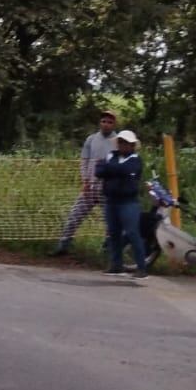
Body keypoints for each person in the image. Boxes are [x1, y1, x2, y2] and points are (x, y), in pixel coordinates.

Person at [50, 111, 119, 256]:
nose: (106, 124)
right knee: (75, 215)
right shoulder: (91, 139)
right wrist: (85, 180)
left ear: (114, 124)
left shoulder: (118, 141)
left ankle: (107, 250)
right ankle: (63, 245)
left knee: (111, 220)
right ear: (100, 122)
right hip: (91, 186)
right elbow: (84, 161)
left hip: (108, 188)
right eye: (104, 121)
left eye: (109, 122)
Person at [97, 130, 150, 278]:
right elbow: (99, 171)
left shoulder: (135, 159)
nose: (123, 145)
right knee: (113, 233)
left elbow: (127, 170)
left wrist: (109, 169)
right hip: (111, 200)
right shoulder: (111, 155)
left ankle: (142, 267)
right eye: (120, 142)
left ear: (132, 145)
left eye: (126, 143)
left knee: (132, 233)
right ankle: (116, 265)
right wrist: (114, 170)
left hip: (128, 202)